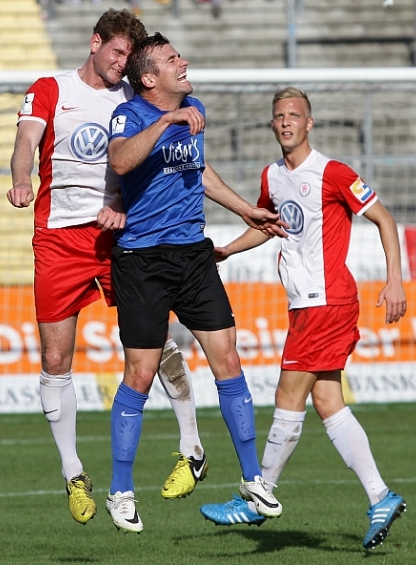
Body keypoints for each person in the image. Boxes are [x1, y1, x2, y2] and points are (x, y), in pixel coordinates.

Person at [6, 10, 208, 523]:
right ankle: (73, 473)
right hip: (59, 238)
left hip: (120, 235)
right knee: (56, 357)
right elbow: (26, 141)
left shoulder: (133, 99)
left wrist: (119, 202)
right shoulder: (52, 89)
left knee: (156, 343)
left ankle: (191, 446)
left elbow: (148, 160)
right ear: (95, 43)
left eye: (128, 57)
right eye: (116, 52)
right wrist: (22, 178)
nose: (121, 63)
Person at [200, 86, 408, 552]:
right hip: (304, 304)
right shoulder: (271, 176)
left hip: (327, 301)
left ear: (309, 123)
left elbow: (385, 219)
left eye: (294, 115)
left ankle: (259, 497)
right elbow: (268, 225)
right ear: (272, 124)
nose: (286, 122)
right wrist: (229, 250)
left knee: (287, 395)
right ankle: (380, 496)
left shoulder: (333, 173)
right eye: (279, 116)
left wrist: (394, 281)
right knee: (328, 401)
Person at [105, 32, 286, 533]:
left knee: (228, 360)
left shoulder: (195, 109)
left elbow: (198, 170)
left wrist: (246, 209)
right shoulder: (131, 114)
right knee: (141, 375)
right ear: (149, 78)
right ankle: (120, 491)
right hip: (142, 259)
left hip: (193, 255)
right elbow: (120, 161)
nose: (183, 62)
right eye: (171, 59)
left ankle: (253, 479)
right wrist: (167, 120)